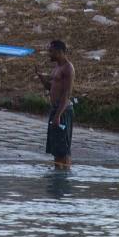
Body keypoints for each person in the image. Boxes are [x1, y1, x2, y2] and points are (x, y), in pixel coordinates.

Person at [37, 39, 75, 168]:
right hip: (56, 110)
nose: (49, 54)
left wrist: (58, 115)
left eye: (51, 51)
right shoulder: (57, 67)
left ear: (59, 52)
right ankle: (58, 177)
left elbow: (67, 94)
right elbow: (50, 87)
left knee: (63, 149)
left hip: (63, 111)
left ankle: (64, 178)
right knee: (56, 147)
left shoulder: (68, 68)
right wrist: (40, 77)